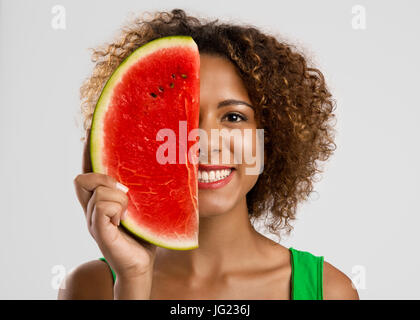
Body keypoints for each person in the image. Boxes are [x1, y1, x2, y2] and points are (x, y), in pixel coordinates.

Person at [59, 9, 359, 300]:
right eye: (179, 118)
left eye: (233, 117)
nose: (203, 142)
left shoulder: (329, 291)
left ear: (271, 138)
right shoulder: (91, 287)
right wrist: (133, 278)